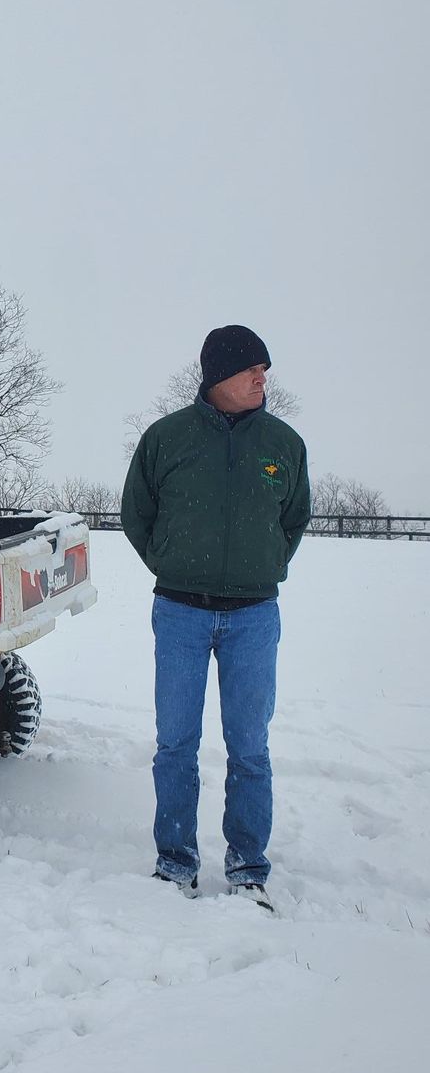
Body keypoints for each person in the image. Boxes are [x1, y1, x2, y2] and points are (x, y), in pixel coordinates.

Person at [121, 325, 310, 912]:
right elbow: (138, 513)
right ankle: (174, 863)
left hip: (254, 616)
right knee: (175, 743)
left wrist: (265, 565)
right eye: (252, 368)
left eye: (264, 370)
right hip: (180, 612)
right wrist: (171, 563)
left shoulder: (282, 444)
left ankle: (248, 866)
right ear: (217, 376)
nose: (262, 378)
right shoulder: (166, 439)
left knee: (250, 746)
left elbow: (294, 519)